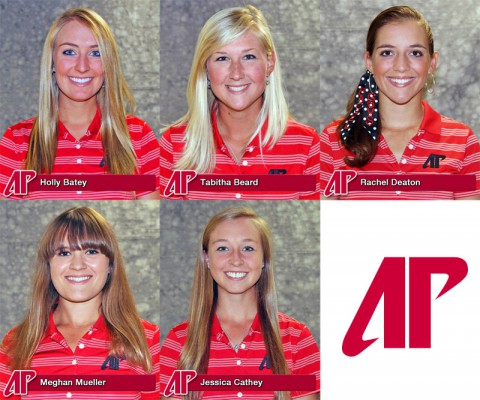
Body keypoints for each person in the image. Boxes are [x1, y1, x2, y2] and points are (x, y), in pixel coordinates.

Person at [159, 5, 319, 200]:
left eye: (248, 57)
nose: (236, 73)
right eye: (222, 58)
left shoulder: (306, 145)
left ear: (269, 63)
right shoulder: (175, 145)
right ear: (206, 69)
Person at [320, 5, 480, 199]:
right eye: (387, 52)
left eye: (415, 53)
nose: (401, 66)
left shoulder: (461, 141)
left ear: (432, 62)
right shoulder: (333, 139)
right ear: (369, 61)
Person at [160, 207, 320, 399]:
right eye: (222, 248)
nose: (236, 260)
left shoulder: (297, 338)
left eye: (248, 248)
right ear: (206, 259)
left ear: (264, 259)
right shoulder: (179, 341)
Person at [0, 207, 160, 399]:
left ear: (110, 265)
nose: (77, 265)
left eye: (91, 251)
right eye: (64, 253)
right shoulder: (16, 343)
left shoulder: (148, 340)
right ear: (48, 265)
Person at [0, 8, 160, 200]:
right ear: (52, 62)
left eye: (95, 53)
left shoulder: (139, 136)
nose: (82, 66)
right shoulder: (17, 141)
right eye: (69, 52)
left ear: (109, 64)